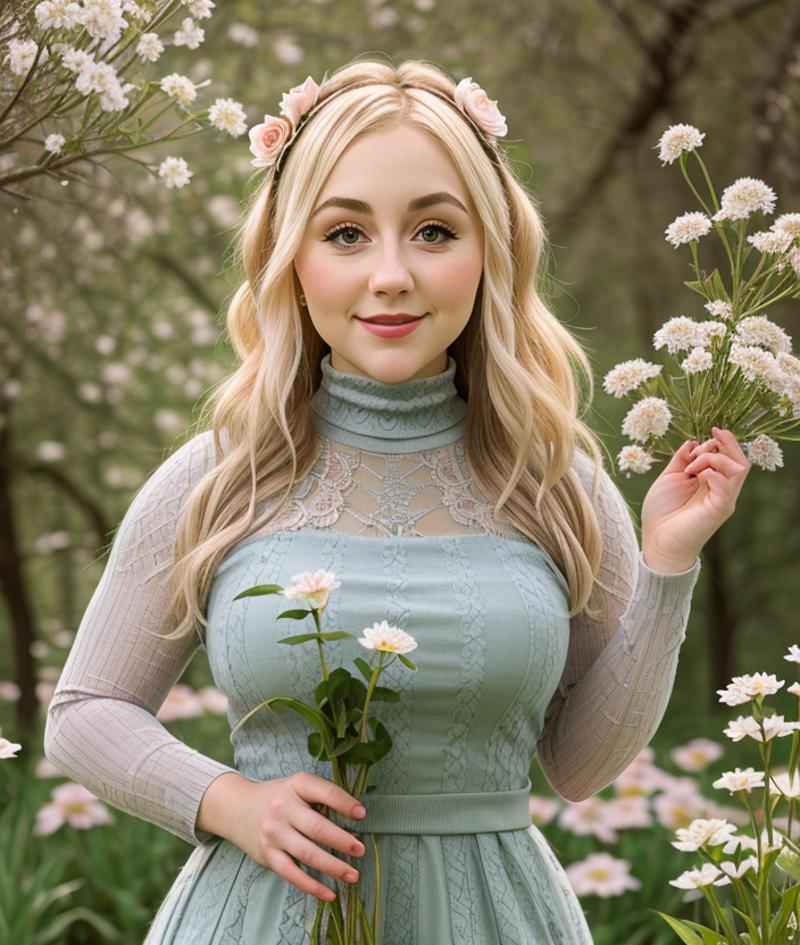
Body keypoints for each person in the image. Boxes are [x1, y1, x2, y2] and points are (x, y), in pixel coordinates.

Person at [43, 57, 752, 944]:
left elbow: (579, 767)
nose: (390, 275)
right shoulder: (219, 476)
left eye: (432, 231)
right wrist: (229, 801)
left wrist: (668, 565)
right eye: (344, 234)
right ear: (289, 257)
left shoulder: (557, 480)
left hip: (497, 920)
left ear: (489, 250)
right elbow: (84, 713)